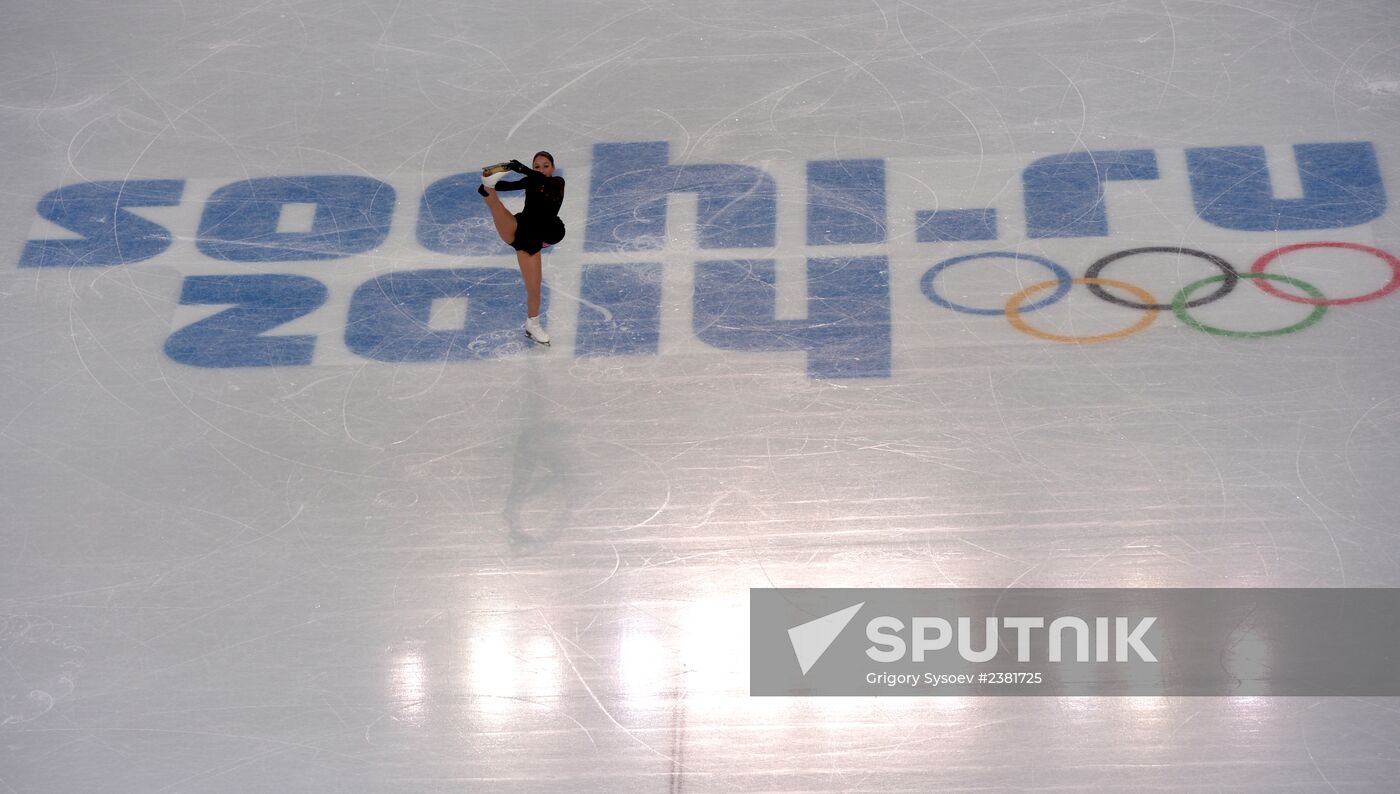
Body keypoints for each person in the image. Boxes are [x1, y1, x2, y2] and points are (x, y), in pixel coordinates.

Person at [478, 152, 566, 345]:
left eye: (545, 165)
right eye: (537, 166)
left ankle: (532, 325)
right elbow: (506, 186)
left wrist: (523, 169)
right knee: (495, 204)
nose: (541, 169)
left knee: (534, 289)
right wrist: (491, 182)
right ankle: (486, 183)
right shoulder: (531, 181)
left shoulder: (558, 183)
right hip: (519, 228)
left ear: (553, 168)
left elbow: (543, 183)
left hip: (535, 240)